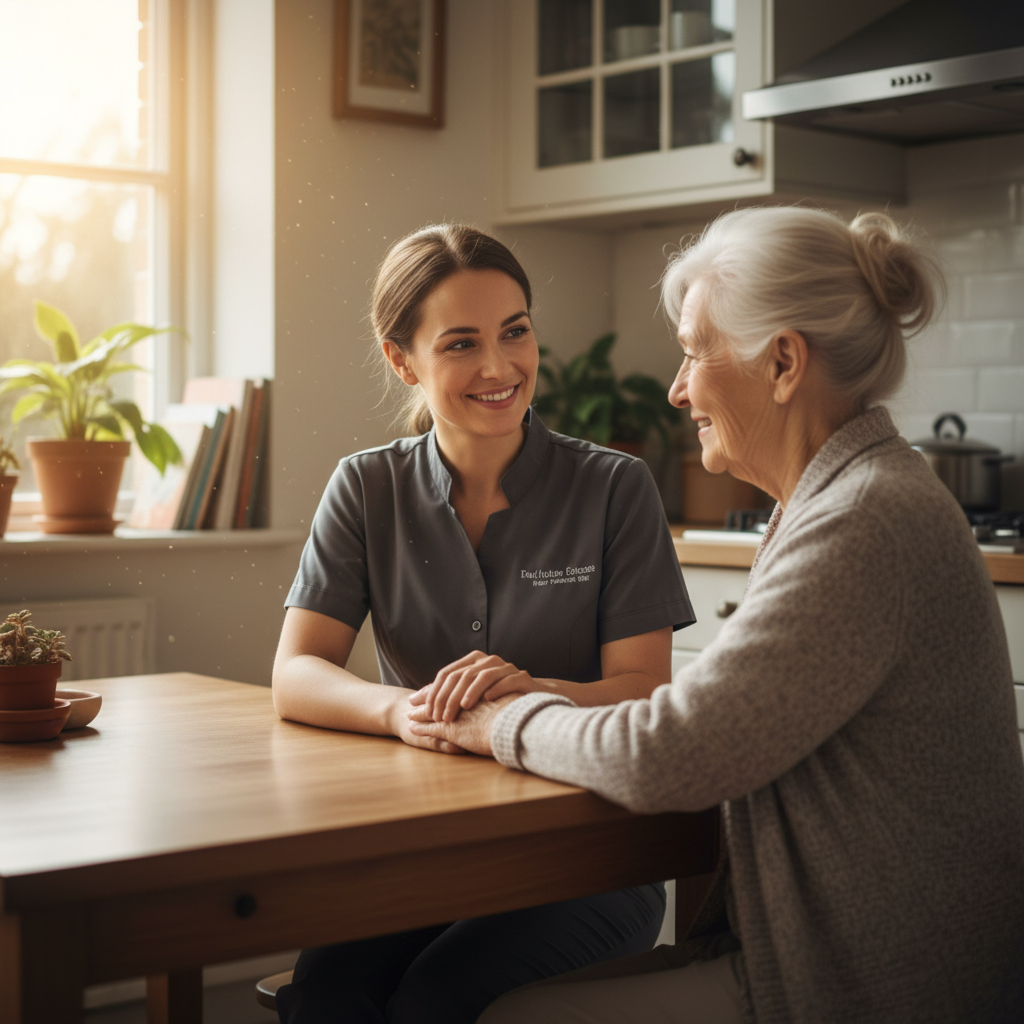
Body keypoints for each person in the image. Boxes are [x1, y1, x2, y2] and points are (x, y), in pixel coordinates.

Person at [408, 207, 1024, 1024]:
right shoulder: (836, 500)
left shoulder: (865, 519)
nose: (677, 387)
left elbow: (670, 753)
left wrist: (500, 719)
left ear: (781, 362)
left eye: (696, 351)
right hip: (823, 950)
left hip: (881, 984)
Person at [271, 224, 696, 1024]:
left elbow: (645, 691)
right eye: (462, 343)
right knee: (326, 993)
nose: (500, 368)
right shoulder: (365, 488)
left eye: (516, 332)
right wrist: (401, 711)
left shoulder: (616, 488)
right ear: (403, 359)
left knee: (435, 1001)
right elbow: (296, 673)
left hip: (597, 856)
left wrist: (525, 695)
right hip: (428, 852)